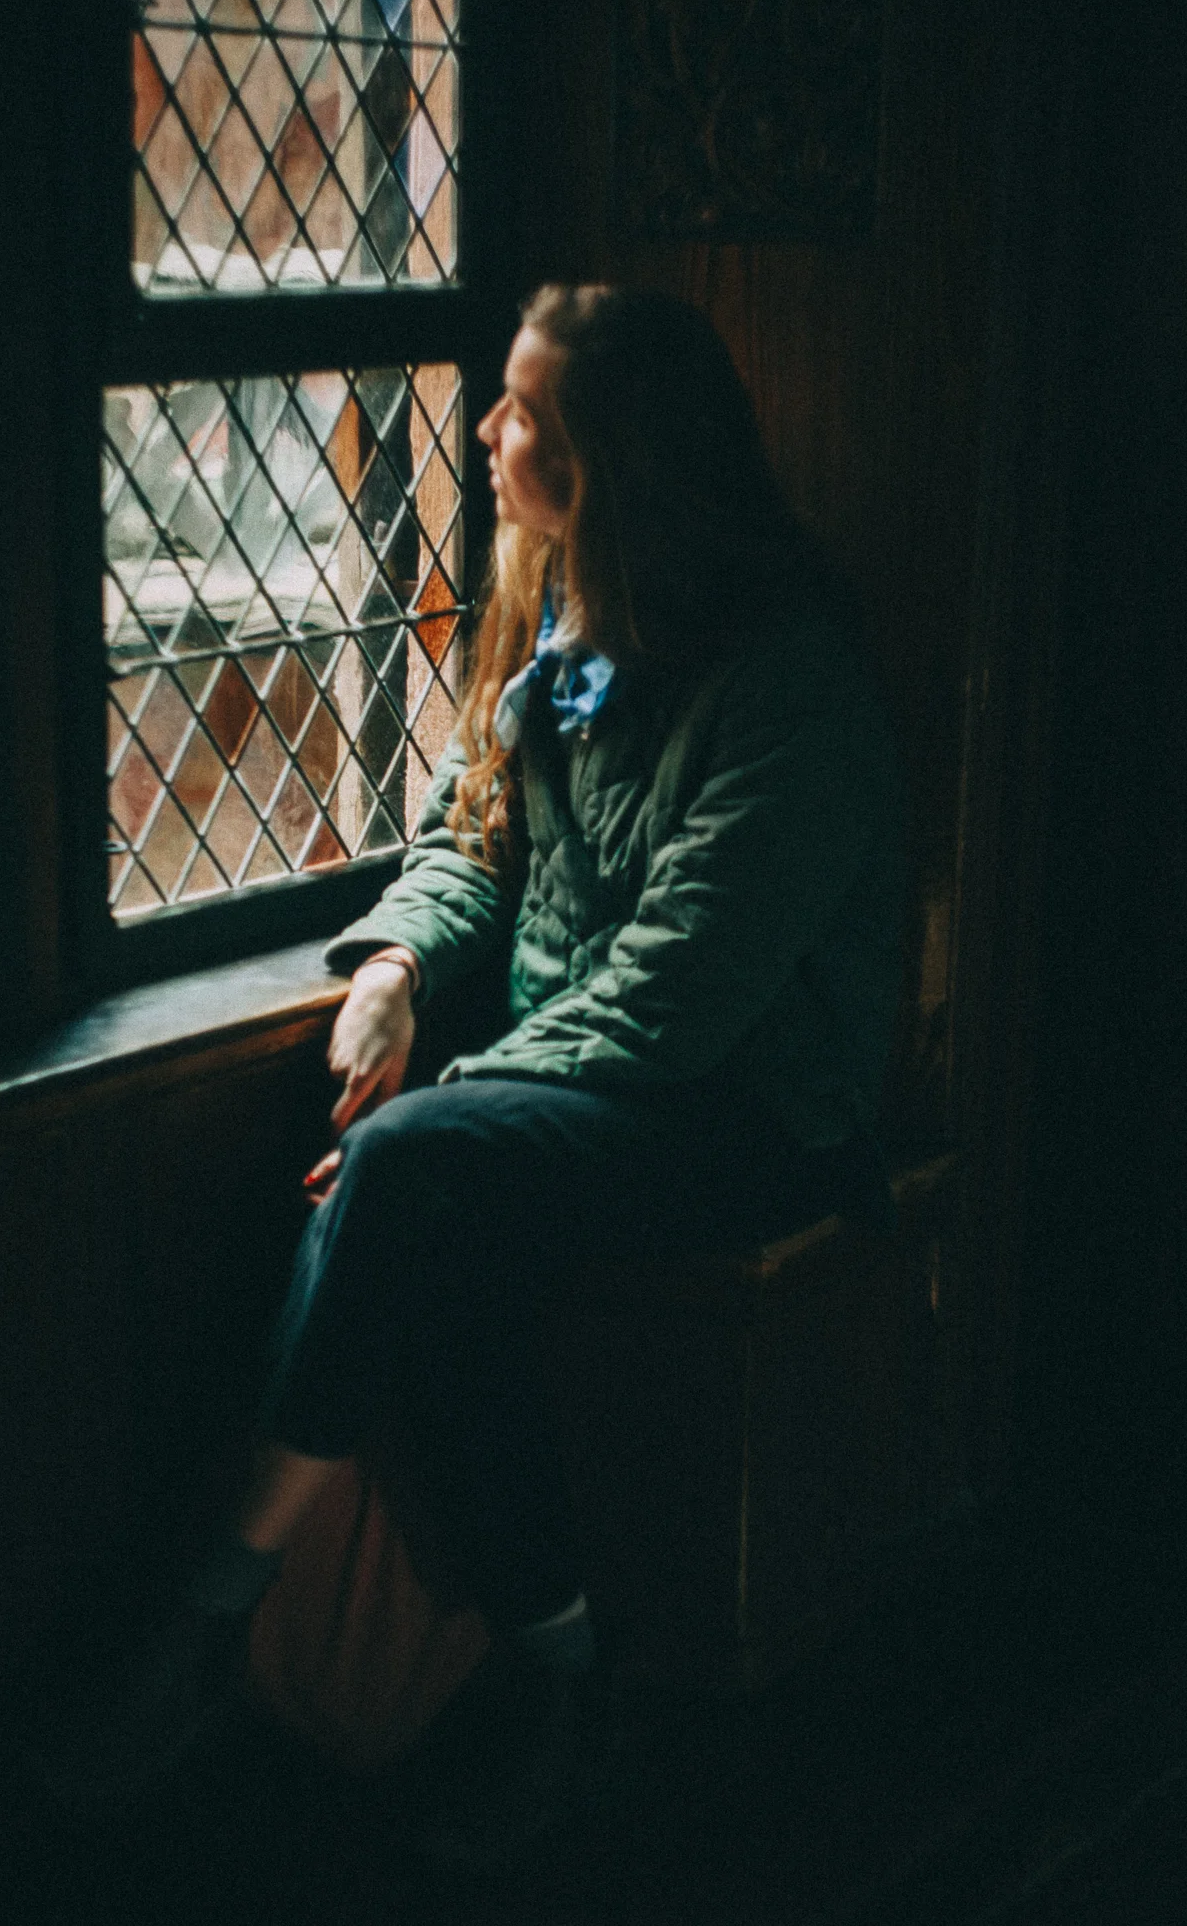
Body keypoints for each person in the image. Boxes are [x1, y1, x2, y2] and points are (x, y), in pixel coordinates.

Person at [56, 285, 904, 1847]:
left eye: (524, 414)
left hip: (757, 1109)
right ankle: (563, 1671)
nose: (488, 432)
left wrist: (459, 1098)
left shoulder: (791, 680)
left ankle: (207, 1622)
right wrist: (392, 973)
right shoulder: (558, 604)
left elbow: (682, 995)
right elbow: (478, 837)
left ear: (612, 465)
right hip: (583, 1074)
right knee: (420, 1220)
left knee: (411, 1175)